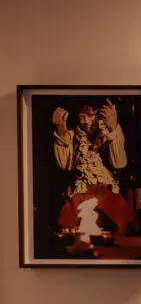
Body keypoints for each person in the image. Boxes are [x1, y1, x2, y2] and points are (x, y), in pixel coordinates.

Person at [50, 100, 134, 249]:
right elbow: (64, 164)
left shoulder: (108, 133)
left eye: (90, 115)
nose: (86, 121)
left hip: (107, 190)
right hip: (82, 190)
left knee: (127, 225)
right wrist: (61, 134)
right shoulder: (73, 136)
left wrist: (114, 129)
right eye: (82, 117)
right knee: (65, 224)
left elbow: (119, 163)